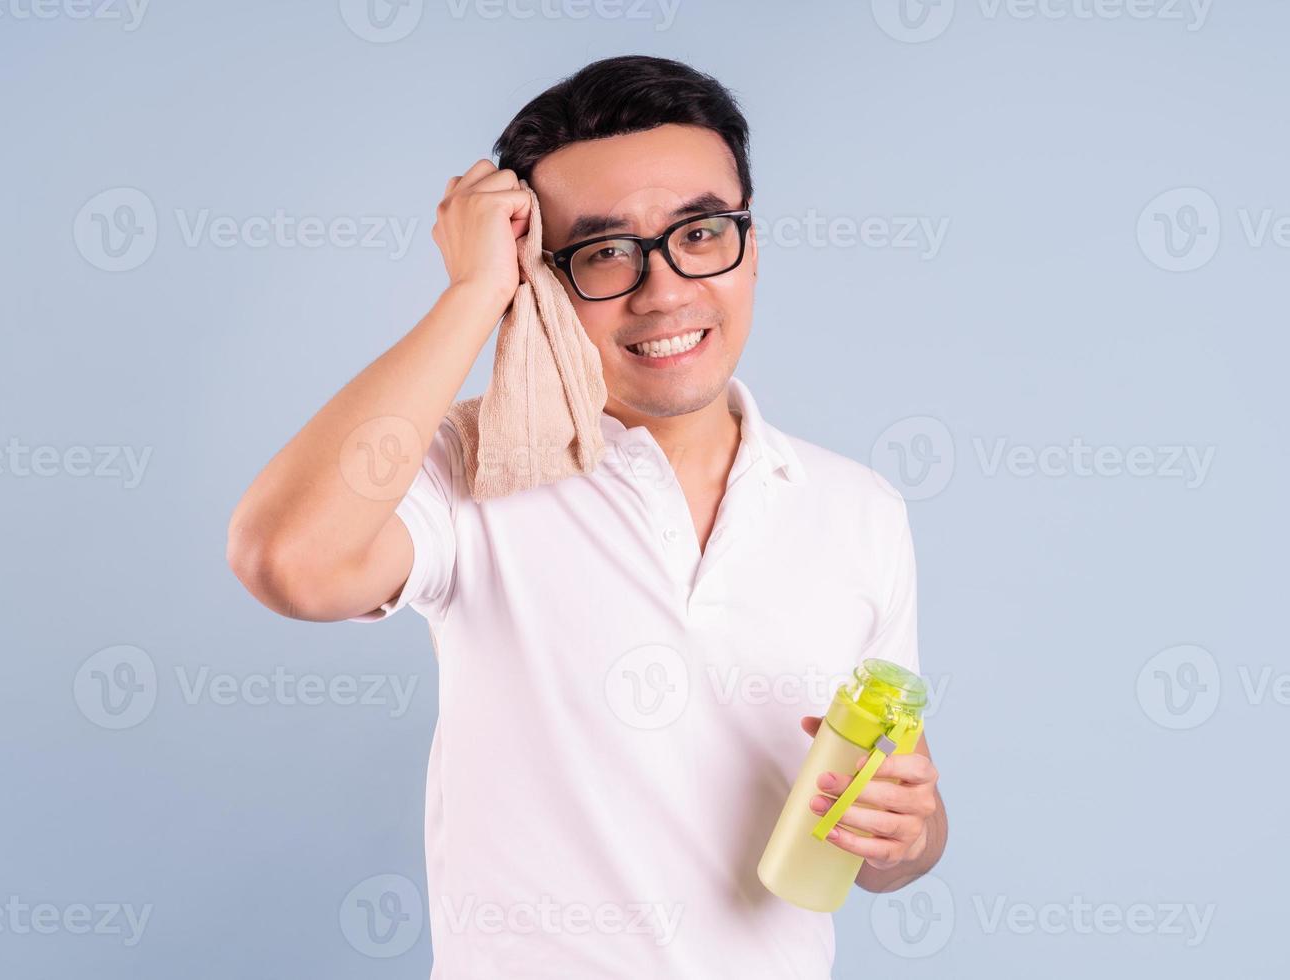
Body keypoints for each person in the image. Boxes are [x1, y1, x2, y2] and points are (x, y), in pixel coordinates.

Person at [227, 54, 946, 978]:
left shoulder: (859, 511)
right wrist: (471, 294)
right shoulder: (472, 469)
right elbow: (287, 560)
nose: (663, 290)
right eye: (605, 252)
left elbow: (898, 842)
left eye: (701, 232)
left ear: (752, 245)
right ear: (541, 278)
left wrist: (907, 836)